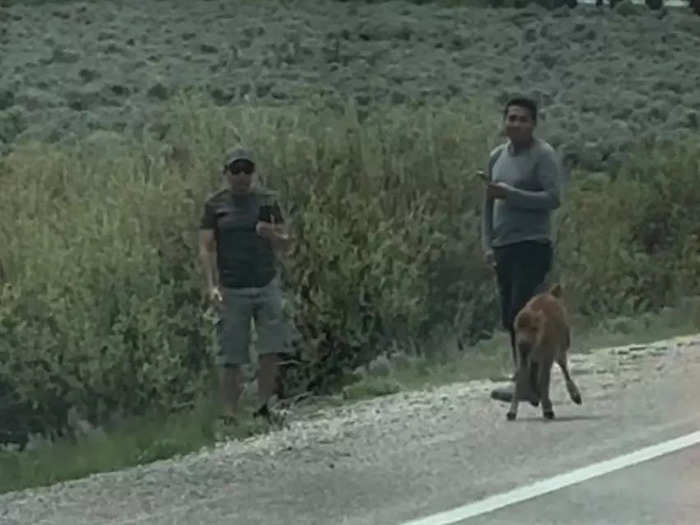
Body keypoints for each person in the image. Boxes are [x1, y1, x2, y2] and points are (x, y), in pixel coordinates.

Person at [198, 148, 293, 422]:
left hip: (265, 283)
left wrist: (271, 233)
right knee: (231, 353)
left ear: (254, 172)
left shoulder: (267, 201)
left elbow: (288, 243)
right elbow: (206, 248)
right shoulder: (215, 205)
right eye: (235, 170)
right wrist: (211, 285)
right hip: (232, 288)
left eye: (246, 170)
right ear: (225, 173)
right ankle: (230, 414)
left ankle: (263, 407)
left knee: (270, 348)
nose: (241, 176)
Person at [480, 97, 563, 403]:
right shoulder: (496, 157)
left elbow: (553, 198)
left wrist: (511, 194)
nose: (515, 124)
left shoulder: (543, 156)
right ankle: (527, 380)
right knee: (509, 318)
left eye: (522, 119)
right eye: (511, 118)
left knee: (525, 315)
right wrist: (487, 244)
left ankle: (528, 383)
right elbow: (488, 205)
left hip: (533, 245)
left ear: (533, 124)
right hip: (504, 247)